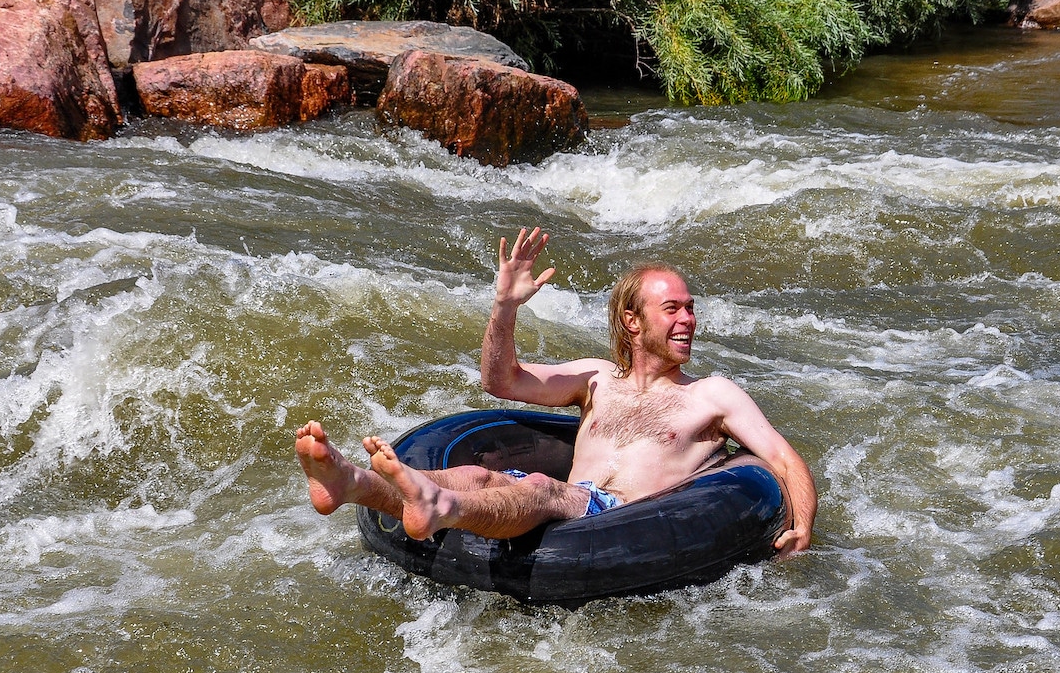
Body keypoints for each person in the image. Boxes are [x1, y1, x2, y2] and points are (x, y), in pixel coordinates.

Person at [296, 227, 817, 554]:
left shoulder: (713, 395)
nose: (688, 320)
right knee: (479, 473)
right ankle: (351, 481)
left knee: (542, 487)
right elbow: (502, 380)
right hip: (570, 506)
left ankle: (436, 506)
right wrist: (504, 307)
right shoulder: (597, 379)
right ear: (633, 322)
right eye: (673, 309)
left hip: (619, 520)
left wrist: (803, 527)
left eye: (690, 307)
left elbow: (782, 459)